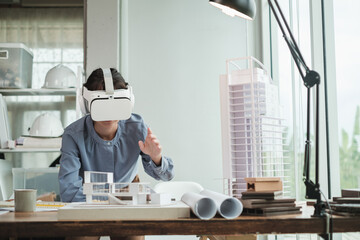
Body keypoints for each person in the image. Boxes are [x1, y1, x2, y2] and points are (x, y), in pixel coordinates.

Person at [58, 68, 174, 240]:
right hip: (86, 206)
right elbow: (69, 192)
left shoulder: (137, 126)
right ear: (86, 103)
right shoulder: (73, 135)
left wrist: (156, 158)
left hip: (126, 207)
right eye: (102, 105)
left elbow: (167, 176)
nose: (109, 114)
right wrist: (115, 198)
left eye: (116, 104)